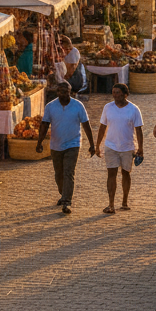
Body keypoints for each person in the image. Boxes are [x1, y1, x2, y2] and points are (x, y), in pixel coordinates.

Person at [35, 81, 95, 214]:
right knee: (59, 174)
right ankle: (63, 193)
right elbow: (44, 124)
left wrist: (92, 144)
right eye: (61, 91)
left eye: (67, 91)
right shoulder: (51, 106)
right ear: (57, 92)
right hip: (56, 145)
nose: (64, 94)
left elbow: (86, 125)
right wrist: (39, 143)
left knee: (69, 172)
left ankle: (67, 201)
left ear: (70, 91)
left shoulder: (78, 106)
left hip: (73, 144)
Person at [95, 83, 144, 214]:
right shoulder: (107, 107)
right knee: (111, 174)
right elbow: (102, 127)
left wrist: (140, 148)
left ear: (125, 94)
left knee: (126, 173)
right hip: (110, 146)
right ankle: (111, 204)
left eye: (118, 93)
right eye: (114, 92)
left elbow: (139, 130)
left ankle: (124, 201)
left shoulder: (134, 109)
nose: (115, 95)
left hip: (128, 147)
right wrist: (97, 144)